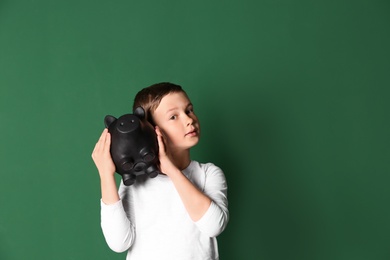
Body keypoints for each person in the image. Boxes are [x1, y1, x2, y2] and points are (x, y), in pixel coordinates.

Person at [91, 82, 229, 260]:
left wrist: (171, 170)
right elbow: (119, 243)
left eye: (189, 110)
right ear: (150, 128)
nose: (189, 120)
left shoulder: (208, 173)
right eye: (173, 116)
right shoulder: (136, 185)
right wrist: (105, 175)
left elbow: (213, 226)